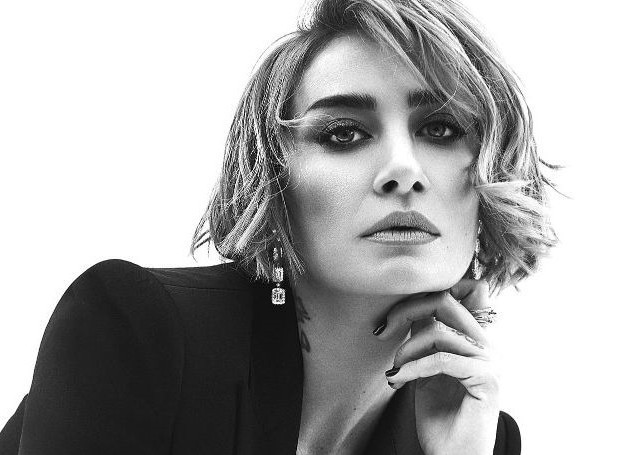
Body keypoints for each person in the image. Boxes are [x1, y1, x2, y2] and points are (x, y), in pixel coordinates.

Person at [0, 0, 557, 453]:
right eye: (343, 133)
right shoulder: (140, 333)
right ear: (273, 179)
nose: (403, 170)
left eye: (440, 129)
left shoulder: (474, 426)